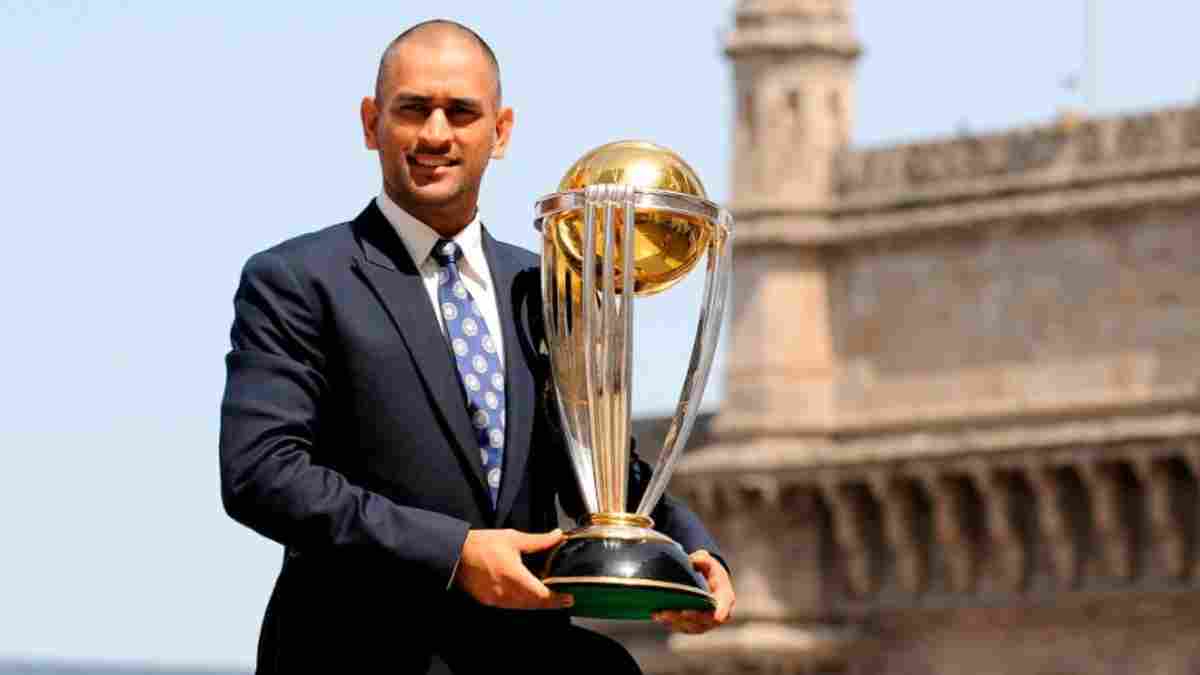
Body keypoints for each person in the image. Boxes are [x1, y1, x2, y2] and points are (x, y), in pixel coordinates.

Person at [218, 19, 734, 674]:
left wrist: (691, 551)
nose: (436, 134)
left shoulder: (547, 289)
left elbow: (598, 463)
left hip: (523, 656)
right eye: (413, 109)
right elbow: (262, 473)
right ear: (372, 123)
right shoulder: (299, 280)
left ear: (501, 130)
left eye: (461, 112)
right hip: (353, 653)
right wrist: (455, 553)